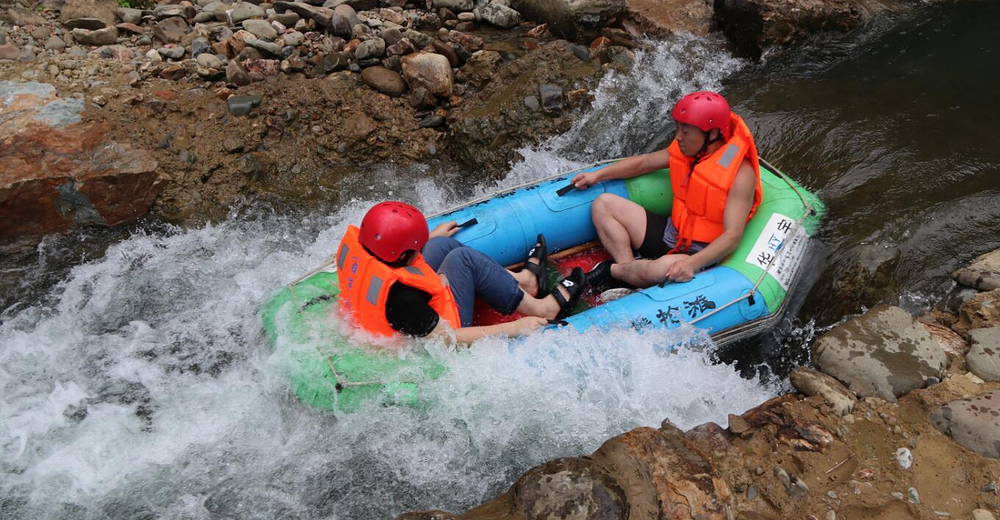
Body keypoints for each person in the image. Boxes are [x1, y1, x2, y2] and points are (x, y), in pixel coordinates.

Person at [570, 91, 763, 289]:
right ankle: (627, 273)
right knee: (603, 205)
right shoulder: (688, 150)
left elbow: (732, 236)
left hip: (698, 253)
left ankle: (611, 271)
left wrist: (691, 264)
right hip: (671, 233)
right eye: (677, 128)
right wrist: (597, 175)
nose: (678, 137)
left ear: (712, 134)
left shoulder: (741, 175)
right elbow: (643, 164)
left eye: (685, 132)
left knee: (658, 269)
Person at [335, 201, 588, 344]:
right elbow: (447, 340)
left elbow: (400, 259)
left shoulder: (369, 249)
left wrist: (427, 239)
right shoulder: (403, 299)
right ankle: (542, 308)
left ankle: (525, 281)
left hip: (393, 312)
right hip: (437, 335)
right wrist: (515, 328)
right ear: (402, 255)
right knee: (462, 259)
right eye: (415, 248)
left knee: (439, 245)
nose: (419, 250)